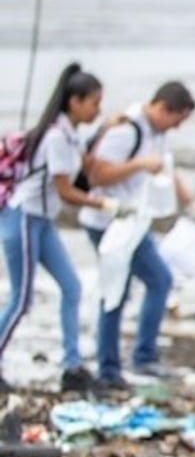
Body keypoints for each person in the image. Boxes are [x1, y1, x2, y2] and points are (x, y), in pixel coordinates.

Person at [0, 63, 127, 394]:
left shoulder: (69, 135)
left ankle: (71, 365)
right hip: (25, 219)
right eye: (94, 103)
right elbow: (66, 191)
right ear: (75, 101)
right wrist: (106, 205)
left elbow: (83, 163)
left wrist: (106, 129)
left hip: (43, 222)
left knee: (71, 286)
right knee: (21, 299)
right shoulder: (56, 137)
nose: (97, 109)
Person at [80, 81, 195, 391]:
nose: (176, 129)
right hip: (109, 222)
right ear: (162, 108)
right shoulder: (127, 130)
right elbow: (97, 175)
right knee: (122, 290)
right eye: (176, 121)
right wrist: (138, 165)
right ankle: (119, 365)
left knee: (153, 281)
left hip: (133, 221)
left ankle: (133, 358)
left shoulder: (157, 133)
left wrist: (190, 202)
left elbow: (167, 169)